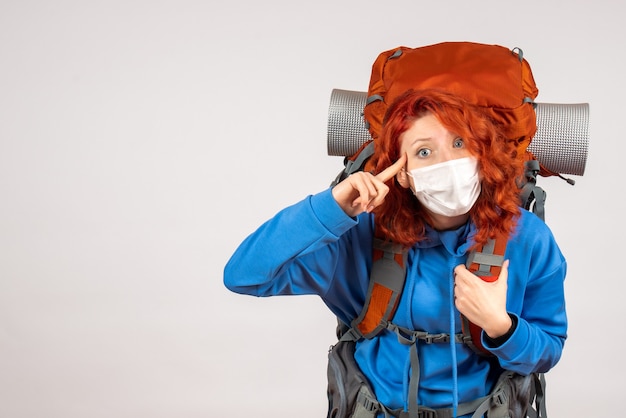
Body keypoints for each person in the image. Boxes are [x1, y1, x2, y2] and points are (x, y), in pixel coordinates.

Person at [223, 88, 567, 418]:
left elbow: (547, 351)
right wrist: (331, 207)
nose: (447, 163)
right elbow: (244, 275)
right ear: (401, 174)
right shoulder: (362, 233)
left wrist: (501, 327)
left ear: (480, 152)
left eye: (459, 143)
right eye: (424, 152)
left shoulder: (526, 237)